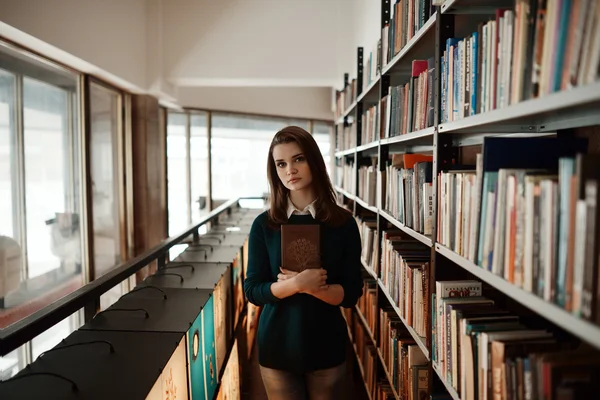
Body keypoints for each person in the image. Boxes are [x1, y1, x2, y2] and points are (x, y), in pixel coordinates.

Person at [243, 126, 364, 400]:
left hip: (326, 345)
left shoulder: (343, 224)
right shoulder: (264, 225)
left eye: (298, 159)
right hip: (277, 345)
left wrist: (314, 288)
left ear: (314, 161)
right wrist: (298, 283)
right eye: (281, 164)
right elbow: (253, 290)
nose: (290, 170)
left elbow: (351, 293)